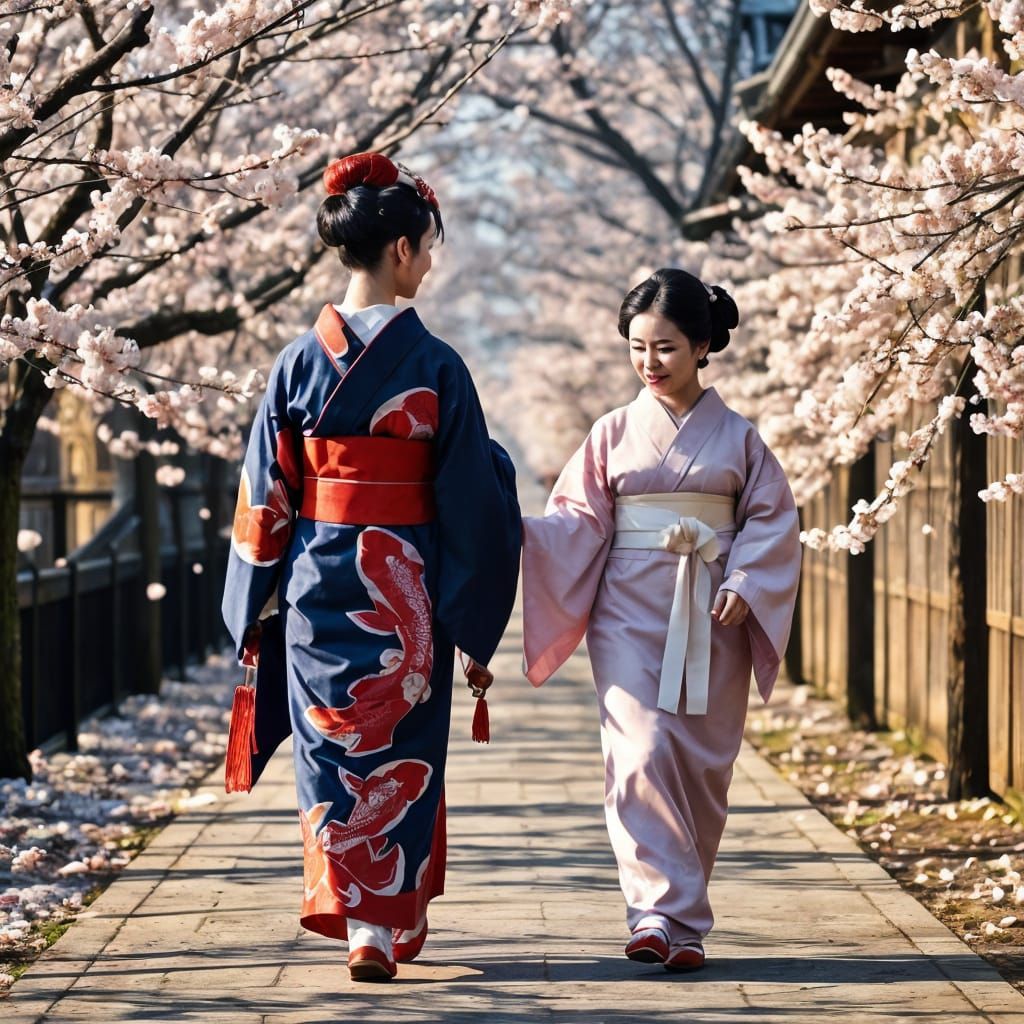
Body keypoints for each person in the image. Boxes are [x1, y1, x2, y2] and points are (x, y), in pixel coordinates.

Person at [222, 152, 521, 982]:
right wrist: (468, 615)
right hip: (407, 592)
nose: (429, 262)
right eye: (426, 246)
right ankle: (380, 923)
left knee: (335, 750)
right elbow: (472, 499)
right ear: (397, 249)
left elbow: (266, 493)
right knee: (400, 745)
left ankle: (367, 925)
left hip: (320, 586)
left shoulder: (293, 364)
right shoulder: (438, 366)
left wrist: (252, 600)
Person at [520, 268, 800, 972]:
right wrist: (516, 531)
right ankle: (656, 912)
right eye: (637, 348)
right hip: (628, 613)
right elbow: (576, 521)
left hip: (714, 611)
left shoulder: (741, 439)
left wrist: (746, 578)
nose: (650, 363)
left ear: (703, 345)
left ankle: (683, 921)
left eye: (666, 347)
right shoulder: (612, 432)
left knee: (701, 766)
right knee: (638, 754)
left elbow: (773, 522)